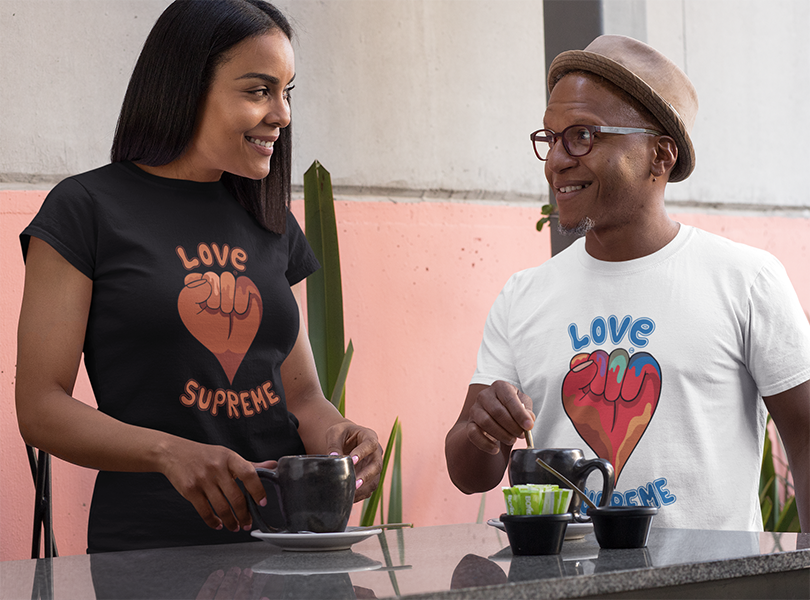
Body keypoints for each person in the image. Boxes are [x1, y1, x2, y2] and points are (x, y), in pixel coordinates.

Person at [16, 0, 382, 553]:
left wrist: (337, 436)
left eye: (287, 93)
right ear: (186, 87)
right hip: (149, 549)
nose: (281, 114)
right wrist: (171, 452)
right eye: (259, 91)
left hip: (289, 539)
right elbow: (40, 406)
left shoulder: (272, 220)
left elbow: (303, 398)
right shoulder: (85, 209)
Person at [445, 35, 810, 532]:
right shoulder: (523, 295)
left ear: (660, 156)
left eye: (583, 136)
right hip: (568, 584)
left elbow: (807, 441)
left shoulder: (746, 281)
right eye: (550, 138)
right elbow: (468, 473)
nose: (556, 161)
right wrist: (483, 432)